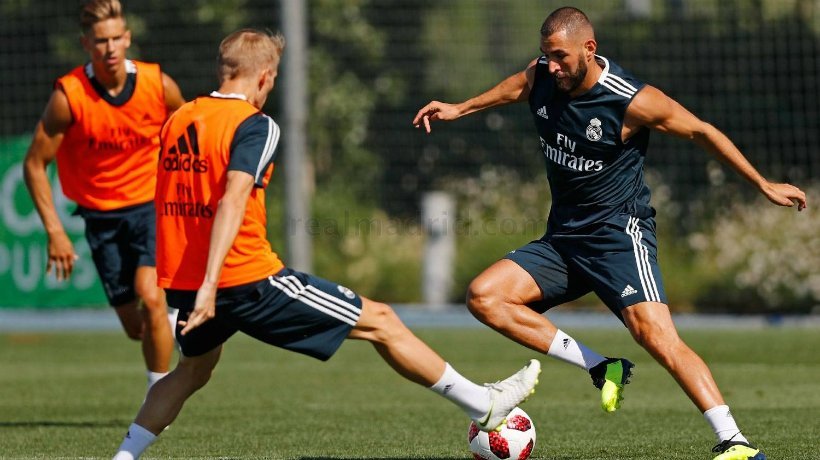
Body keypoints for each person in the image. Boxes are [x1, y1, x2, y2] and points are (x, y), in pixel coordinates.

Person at [111, 28, 541, 460]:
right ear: (264, 77)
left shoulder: (179, 118)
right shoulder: (255, 126)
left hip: (188, 282)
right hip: (241, 279)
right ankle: (484, 405)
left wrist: (191, 284)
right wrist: (210, 285)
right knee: (382, 321)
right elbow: (233, 198)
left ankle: (123, 457)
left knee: (191, 371)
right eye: (274, 78)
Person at [413, 7, 808, 460]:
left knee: (656, 336)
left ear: (589, 48)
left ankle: (734, 441)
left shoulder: (630, 99)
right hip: (563, 239)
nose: (553, 66)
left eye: (561, 56)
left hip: (619, 235)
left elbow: (701, 131)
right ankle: (603, 367)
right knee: (484, 297)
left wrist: (762, 184)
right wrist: (460, 107)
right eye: (546, 56)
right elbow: (516, 87)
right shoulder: (541, 75)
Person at [23, 0, 184, 392]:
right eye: (100, 41)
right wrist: (55, 232)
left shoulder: (157, 84)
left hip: (151, 207)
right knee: (136, 327)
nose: (110, 48)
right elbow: (33, 164)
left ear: (127, 38)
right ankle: (167, 322)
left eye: (116, 39)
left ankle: (158, 397)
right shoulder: (70, 95)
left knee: (152, 295)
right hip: (101, 217)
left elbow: (190, 134)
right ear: (85, 44)